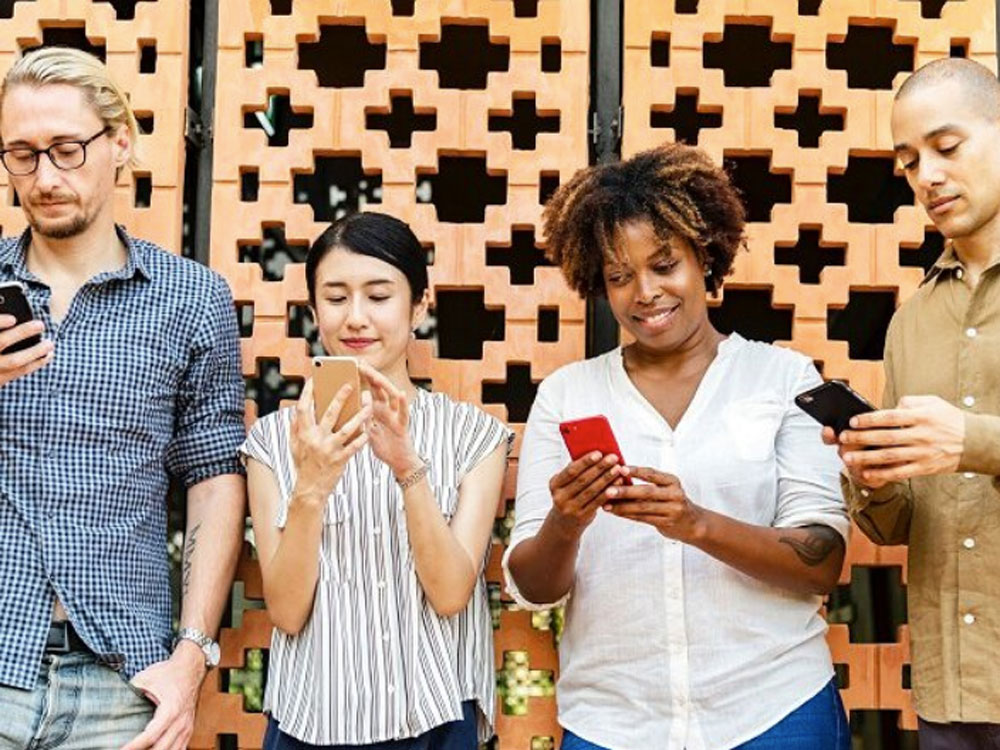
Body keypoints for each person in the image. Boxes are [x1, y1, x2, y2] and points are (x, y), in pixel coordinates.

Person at [504, 143, 851, 750]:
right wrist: (565, 522)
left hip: (774, 711)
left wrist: (694, 523)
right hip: (613, 722)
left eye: (665, 265)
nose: (645, 292)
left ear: (705, 257)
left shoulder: (784, 380)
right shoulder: (567, 394)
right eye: (619, 276)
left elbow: (821, 560)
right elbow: (535, 585)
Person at [0, 47, 246, 750]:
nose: (45, 177)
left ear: (119, 144)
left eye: (68, 149)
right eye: (21, 154)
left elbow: (213, 477)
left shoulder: (193, 300)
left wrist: (191, 656)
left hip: (123, 678)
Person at [241, 211, 512, 749]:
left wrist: (408, 468)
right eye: (337, 297)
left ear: (419, 304)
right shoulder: (274, 441)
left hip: (435, 713)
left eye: (379, 296)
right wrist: (312, 486)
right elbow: (288, 611)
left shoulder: (474, 436)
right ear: (315, 309)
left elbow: (451, 593)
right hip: (311, 720)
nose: (357, 318)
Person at [831, 57, 1000, 750]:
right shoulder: (913, 318)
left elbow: (967, 448)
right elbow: (900, 525)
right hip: (951, 690)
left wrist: (974, 443)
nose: (925, 175)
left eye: (946, 147)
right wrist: (870, 476)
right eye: (907, 161)